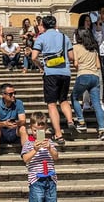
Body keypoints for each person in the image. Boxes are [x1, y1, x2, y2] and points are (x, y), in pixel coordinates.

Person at [31, 15, 75, 144]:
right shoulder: (64, 37)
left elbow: (34, 57)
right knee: (63, 100)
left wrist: (41, 66)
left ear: (43, 26)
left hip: (50, 73)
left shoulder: (41, 38)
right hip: (65, 72)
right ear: (55, 25)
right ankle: (70, 121)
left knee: (51, 104)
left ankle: (58, 134)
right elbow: (71, 57)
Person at [71, 29, 104, 140]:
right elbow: (98, 66)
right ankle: (102, 130)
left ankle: (81, 121)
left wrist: (79, 66)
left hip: (83, 75)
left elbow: (76, 63)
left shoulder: (76, 47)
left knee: (74, 97)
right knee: (96, 104)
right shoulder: (94, 49)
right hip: (95, 77)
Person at [21, 111, 59, 201]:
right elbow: (25, 159)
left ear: (45, 129)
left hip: (50, 179)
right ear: (30, 128)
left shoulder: (49, 142)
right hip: (36, 180)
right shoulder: (28, 144)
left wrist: (50, 148)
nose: (37, 133)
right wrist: (34, 150)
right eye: (35, 130)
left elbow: (56, 157)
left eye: (40, 131)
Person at [0, 83, 27, 170]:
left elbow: (23, 120)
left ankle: (27, 157)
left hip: (14, 130)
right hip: (3, 131)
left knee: (23, 128)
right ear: (3, 95)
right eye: (10, 94)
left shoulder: (19, 103)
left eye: (14, 93)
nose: (13, 95)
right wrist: (4, 124)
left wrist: (16, 123)